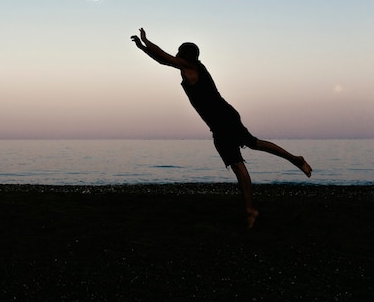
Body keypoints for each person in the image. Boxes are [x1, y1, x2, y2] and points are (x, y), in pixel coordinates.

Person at [131, 28, 311, 228]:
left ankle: (253, 208)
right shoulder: (187, 68)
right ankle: (288, 168)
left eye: (179, 51)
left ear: (186, 55)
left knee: (243, 156)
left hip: (223, 120)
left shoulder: (192, 66)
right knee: (248, 150)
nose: (176, 53)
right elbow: (163, 60)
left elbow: (164, 56)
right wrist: (142, 48)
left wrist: (146, 41)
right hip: (221, 121)